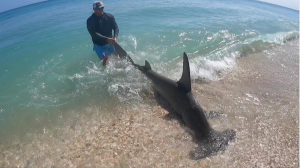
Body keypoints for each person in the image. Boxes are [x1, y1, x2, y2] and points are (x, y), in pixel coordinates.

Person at [87, 1, 119, 66]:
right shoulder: (90, 20)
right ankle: (106, 72)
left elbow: (116, 28)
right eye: (99, 9)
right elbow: (94, 34)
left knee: (119, 56)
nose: (101, 10)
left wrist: (115, 37)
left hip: (110, 42)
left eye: (102, 8)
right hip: (99, 45)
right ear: (94, 9)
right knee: (106, 58)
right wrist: (107, 39)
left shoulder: (109, 16)